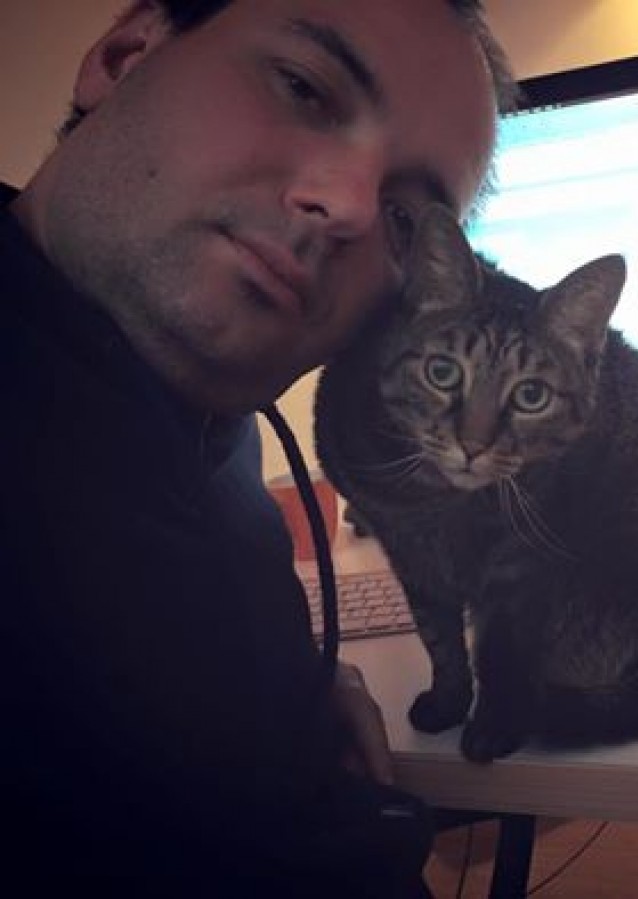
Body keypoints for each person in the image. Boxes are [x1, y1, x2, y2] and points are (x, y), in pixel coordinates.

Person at [0, 0, 515, 894]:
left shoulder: (202, 422)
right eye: (304, 88)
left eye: (406, 221)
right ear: (125, 54)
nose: (348, 206)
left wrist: (287, 678)